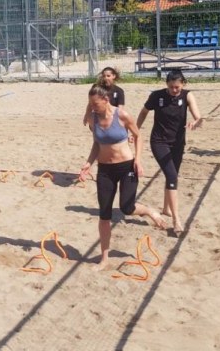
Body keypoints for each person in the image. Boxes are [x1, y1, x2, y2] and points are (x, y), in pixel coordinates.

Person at [79, 85, 166, 269]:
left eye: (95, 104)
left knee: (127, 207)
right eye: (90, 104)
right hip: (105, 170)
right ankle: (104, 259)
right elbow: (97, 144)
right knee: (104, 215)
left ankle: (149, 211)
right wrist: (88, 163)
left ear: (106, 100)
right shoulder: (93, 119)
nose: (93, 108)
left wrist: (138, 160)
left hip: (127, 166)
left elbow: (138, 135)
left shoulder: (122, 115)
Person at [136, 70, 203, 233]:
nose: (175, 90)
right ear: (166, 84)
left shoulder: (187, 96)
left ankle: (166, 208)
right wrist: (136, 131)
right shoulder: (156, 96)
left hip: (178, 143)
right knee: (172, 176)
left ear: (183, 84)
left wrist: (196, 122)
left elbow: (200, 118)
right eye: (172, 87)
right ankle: (176, 219)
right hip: (159, 141)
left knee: (172, 175)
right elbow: (144, 111)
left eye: (177, 87)